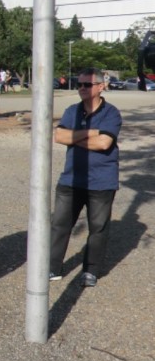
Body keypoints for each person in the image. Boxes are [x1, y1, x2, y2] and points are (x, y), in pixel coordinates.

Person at [49, 67, 122, 288]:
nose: (81, 88)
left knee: (97, 227)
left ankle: (90, 269)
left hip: (101, 181)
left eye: (87, 84)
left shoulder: (111, 113)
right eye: (78, 84)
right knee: (59, 225)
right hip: (71, 179)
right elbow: (59, 136)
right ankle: (53, 267)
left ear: (101, 86)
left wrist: (74, 137)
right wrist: (91, 132)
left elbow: (104, 143)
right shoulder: (72, 110)